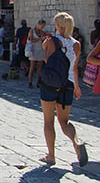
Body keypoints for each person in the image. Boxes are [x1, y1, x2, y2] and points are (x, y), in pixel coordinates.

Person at [39, 12, 87, 167]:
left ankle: (51, 156)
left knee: (48, 121)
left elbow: (48, 61)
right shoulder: (76, 44)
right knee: (64, 121)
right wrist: (77, 87)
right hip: (68, 84)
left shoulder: (52, 41)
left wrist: (45, 45)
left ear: (58, 26)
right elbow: (74, 68)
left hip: (51, 84)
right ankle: (76, 141)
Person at [28, 19, 48, 88]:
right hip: (34, 50)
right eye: (42, 26)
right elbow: (32, 40)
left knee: (40, 67)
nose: (42, 27)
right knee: (32, 66)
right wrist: (40, 39)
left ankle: (38, 81)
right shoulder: (32, 31)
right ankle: (30, 82)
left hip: (40, 49)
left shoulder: (42, 32)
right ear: (38, 24)